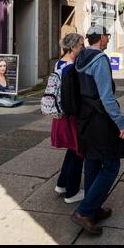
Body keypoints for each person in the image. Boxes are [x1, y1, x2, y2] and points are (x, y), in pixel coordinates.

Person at [72, 25, 124, 236]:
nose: (109, 39)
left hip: (85, 118)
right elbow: (106, 97)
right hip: (100, 119)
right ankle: (85, 211)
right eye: (107, 35)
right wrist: (121, 123)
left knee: (93, 161)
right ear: (101, 38)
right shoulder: (100, 60)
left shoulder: (80, 57)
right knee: (111, 164)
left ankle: (93, 207)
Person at [51, 33, 85, 203]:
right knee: (78, 151)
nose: (83, 47)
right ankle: (72, 192)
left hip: (61, 114)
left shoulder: (59, 62)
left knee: (72, 151)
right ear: (72, 47)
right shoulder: (71, 67)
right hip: (71, 115)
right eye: (81, 45)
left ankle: (62, 184)